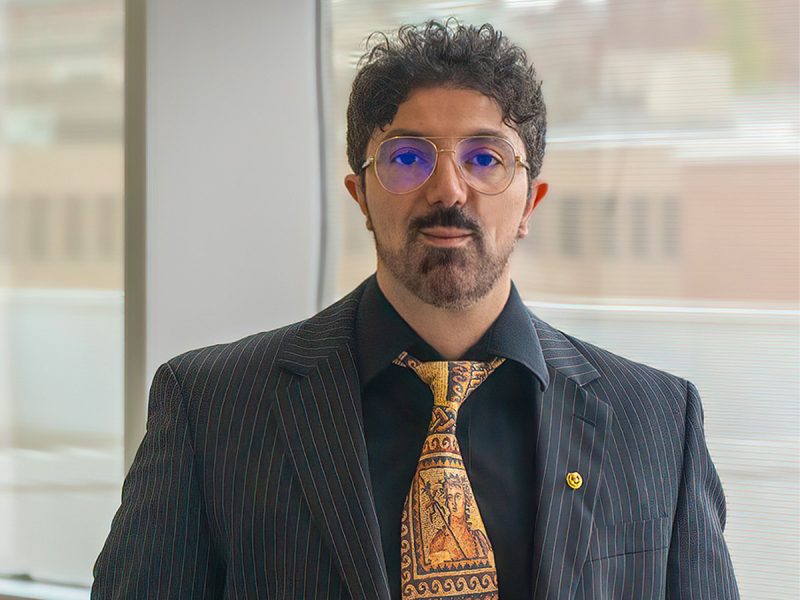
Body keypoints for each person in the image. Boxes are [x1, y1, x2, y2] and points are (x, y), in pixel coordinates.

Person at [92, 20, 739, 600]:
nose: (448, 189)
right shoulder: (211, 408)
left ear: (531, 202)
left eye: (485, 157)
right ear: (362, 195)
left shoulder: (656, 421)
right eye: (407, 157)